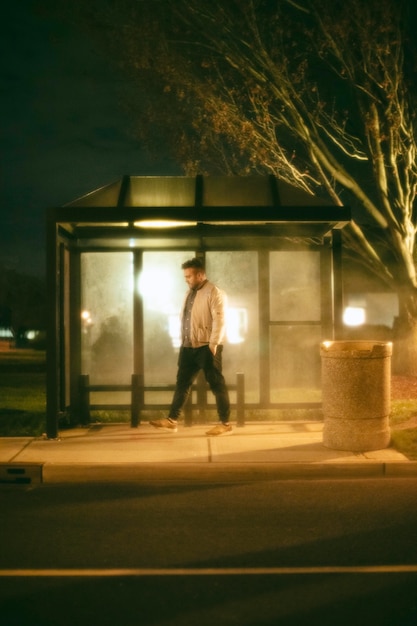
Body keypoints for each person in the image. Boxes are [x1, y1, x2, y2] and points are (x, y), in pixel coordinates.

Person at [150, 257, 232, 436]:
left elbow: (220, 319)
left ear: (201, 275)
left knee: (216, 384)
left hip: (206, 346)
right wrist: (183, 341)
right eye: (185, 276)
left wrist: (214, 343)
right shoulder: (189, 292)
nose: (186, 279)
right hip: (188, 346)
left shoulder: (215, 293)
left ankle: (225, 423)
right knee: (182, 383)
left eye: (189, 276)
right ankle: (172, 420)